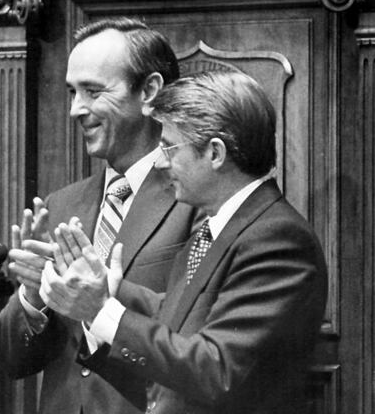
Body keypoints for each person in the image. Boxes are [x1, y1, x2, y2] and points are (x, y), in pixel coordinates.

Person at [42, 71, 328, 414]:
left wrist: (101, 310)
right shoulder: (214, 229)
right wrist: (104, 290)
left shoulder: (277, 239)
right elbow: (174, 329)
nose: (160, 161)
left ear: (216, 153)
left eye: (169, 147)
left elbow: (216, 370)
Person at [0, 17, 201, 414]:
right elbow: (11, 359)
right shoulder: (60, 207)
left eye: (92, 91)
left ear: (150, 92)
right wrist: (33, 297)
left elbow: (198, 335)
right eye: (72, 92)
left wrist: (103, 301)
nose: (75, 109)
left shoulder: (196, 200)